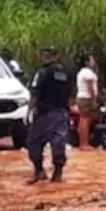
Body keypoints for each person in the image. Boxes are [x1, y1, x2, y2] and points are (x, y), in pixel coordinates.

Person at [26, 47, 73, 183]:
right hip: (61, 112)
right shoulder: (66, 73)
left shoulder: (42, 72)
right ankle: (57, 174)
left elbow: (35, 93)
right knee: (58, 141)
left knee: (34, 141)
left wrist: (29, 110)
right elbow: (71, 94)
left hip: (44, 113)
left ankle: (39, 171)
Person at [75, 53, 100, 150]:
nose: (93, 62)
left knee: (83, 120)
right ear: (86, 62)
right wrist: (94, 99)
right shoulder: (88, 73)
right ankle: (84, 143)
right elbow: (90, 87)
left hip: (82, 97)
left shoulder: (81, 72)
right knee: (85, 120)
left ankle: (82, 142)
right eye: (92, 60)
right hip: (86, 98)